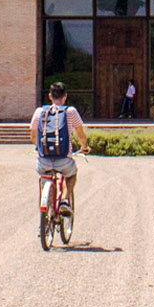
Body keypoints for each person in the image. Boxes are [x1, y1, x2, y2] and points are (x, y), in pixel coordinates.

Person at [29, 82, 88, 215]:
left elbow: (33, 135)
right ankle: (65, 200)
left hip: (43, 160)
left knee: (44, 178)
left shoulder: (39, 112)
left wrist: (39, 147)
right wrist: (84, 147)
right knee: (71, 175)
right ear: (65, 96)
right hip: (64, 159)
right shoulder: (71, 111)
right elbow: (81, 136)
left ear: (50, 96)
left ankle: (45, 215)